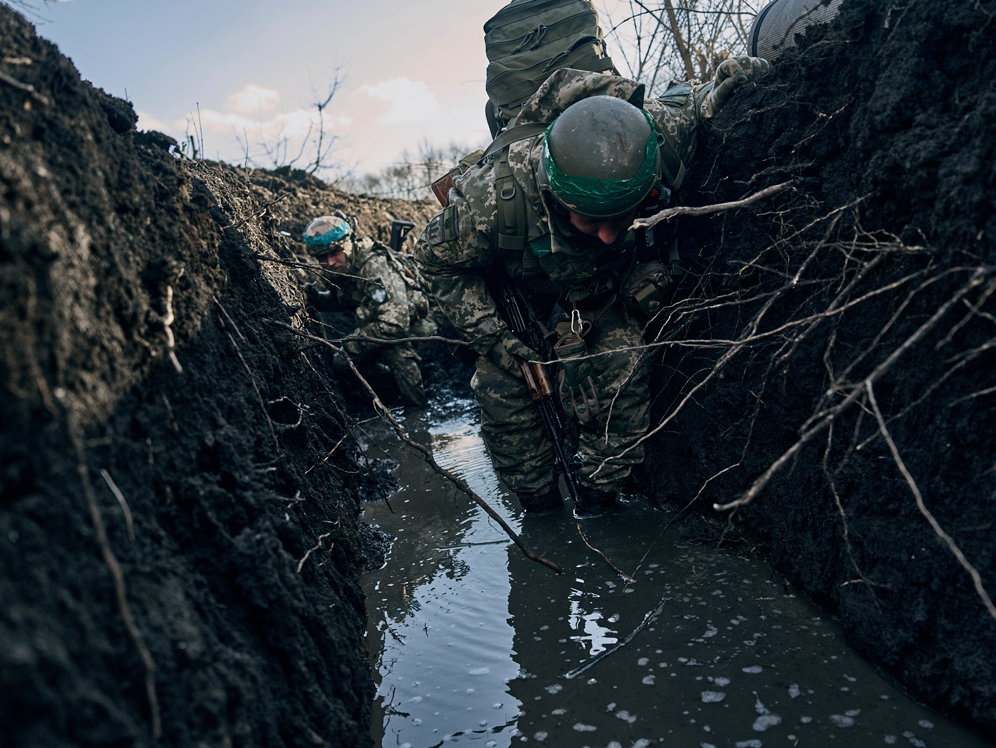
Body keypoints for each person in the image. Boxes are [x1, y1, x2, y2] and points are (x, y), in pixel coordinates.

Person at [414, 59, 768, 516]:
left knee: (623, 371)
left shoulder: (655, 137)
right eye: (590, 220)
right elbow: (433, 261)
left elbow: (698, 101)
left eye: (620, 219)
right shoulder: (492, 201)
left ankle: (600, 502)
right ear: (553, 193)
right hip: (529, 302)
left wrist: (728, 83)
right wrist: (498, 340)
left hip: (605, 295)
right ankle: (538, 510)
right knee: (505, 396)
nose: (606, 235)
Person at [303, 212, 436, 406]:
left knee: (394, 349)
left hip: (420, 321)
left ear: (348, 244)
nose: (329, 262)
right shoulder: (347, 265)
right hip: (385, 321)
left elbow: (395, 325)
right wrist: (318, 300)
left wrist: (352, 343)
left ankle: (418, 410)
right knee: (342, 362)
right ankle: (392, 387)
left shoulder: (374, 266)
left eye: (334, 253)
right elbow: (348, 300)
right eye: (322, 257)